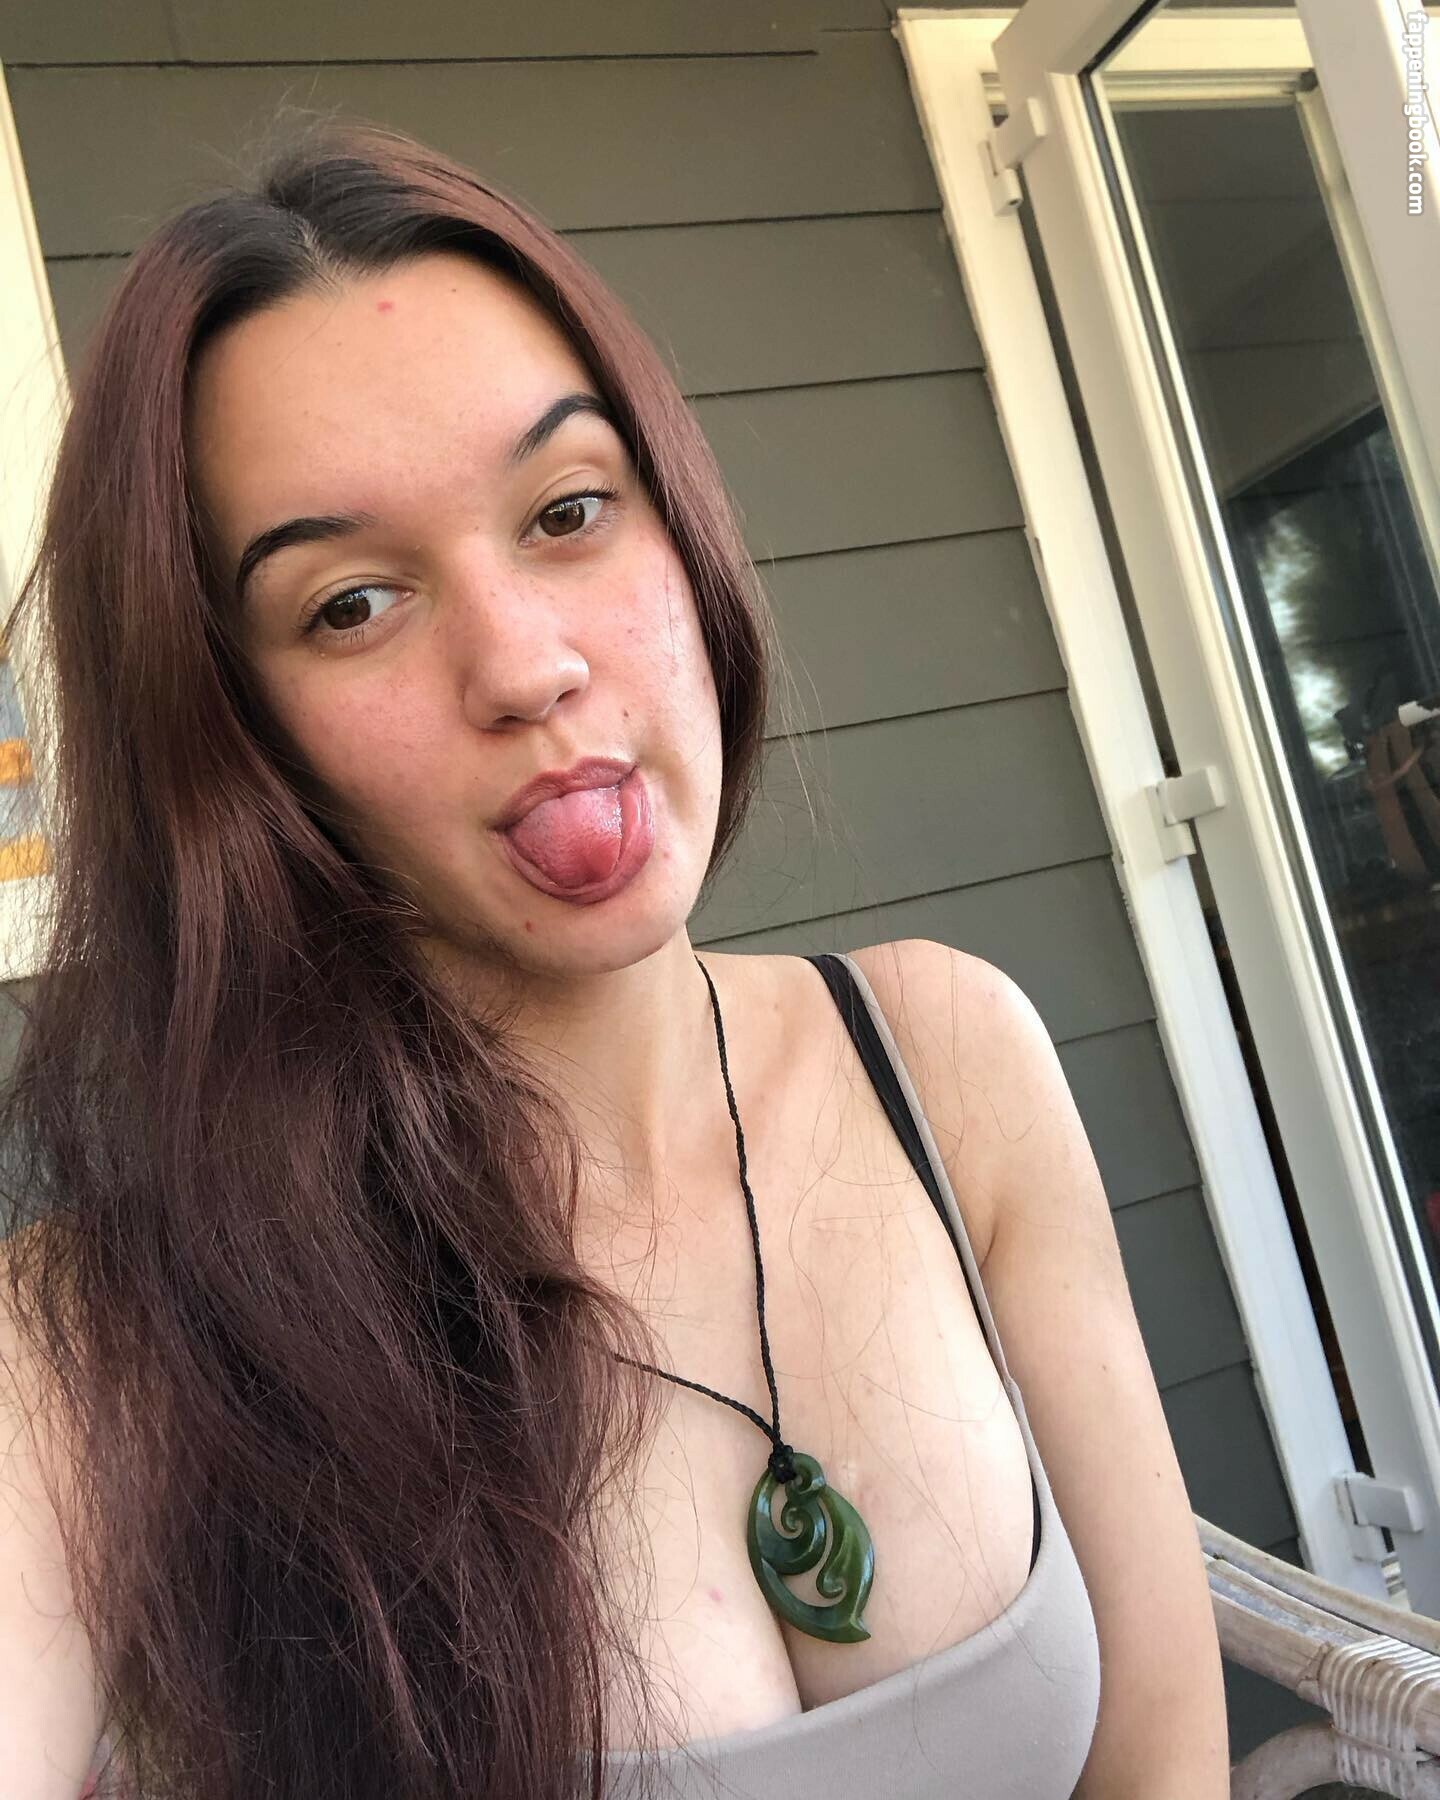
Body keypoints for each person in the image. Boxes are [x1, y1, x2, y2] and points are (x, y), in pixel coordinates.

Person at [0, 119, 1228, 1800]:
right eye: (351, 604)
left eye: (570, 509)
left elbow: (1163, 1763)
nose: (526, 665)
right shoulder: (94, 1356)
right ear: (238, 736)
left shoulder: (952, 1059)